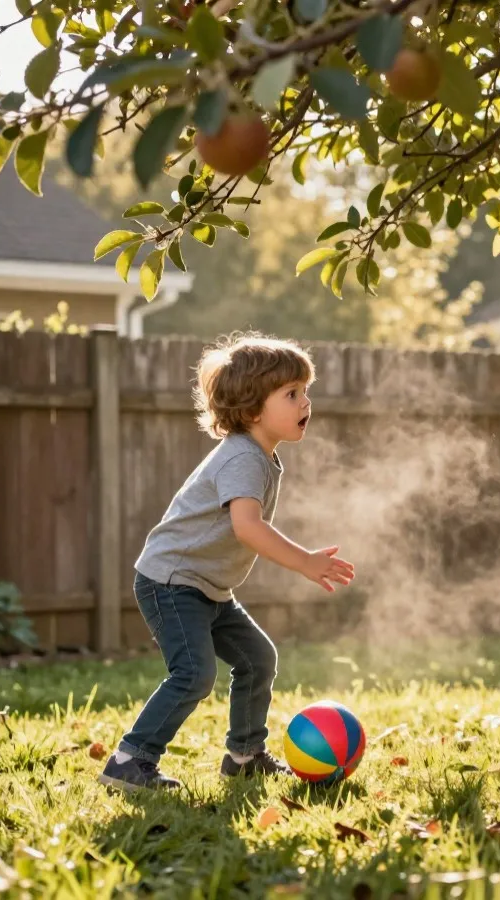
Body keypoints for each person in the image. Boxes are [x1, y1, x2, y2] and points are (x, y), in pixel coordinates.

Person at [98, 333, 355, 791]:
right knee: (194, 673)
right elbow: (247, 528)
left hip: (208, 589)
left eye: (305, 391)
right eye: (292, 394)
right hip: (172, 582)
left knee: (258, 659)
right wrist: (304, 562)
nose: (305, 402)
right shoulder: (242, 457)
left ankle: (244, 755)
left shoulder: (261, 457)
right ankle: (129, 761)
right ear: (254, 409)